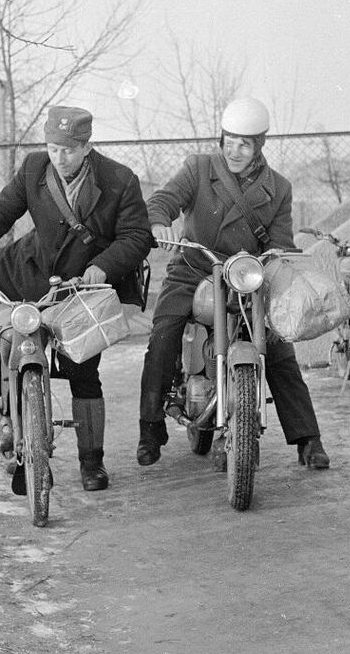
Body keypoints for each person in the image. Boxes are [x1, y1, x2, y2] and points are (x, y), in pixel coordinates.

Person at [0, 106, 153, 493]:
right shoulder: (33, 168)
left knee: (83, 370)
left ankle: (92, 463)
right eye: (53, 148)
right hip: (31, 271)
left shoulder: (119, 180)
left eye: (70, 151)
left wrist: (103, 267)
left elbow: (137, 236)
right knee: (16, 346)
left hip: (83, 288)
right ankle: (22, 447)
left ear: (87, 147)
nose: (60, 158)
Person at [136, 96, 331, 470]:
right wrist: (159, 221)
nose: (235, 150)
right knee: (164, 333)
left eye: (245, 143)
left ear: (259, 146)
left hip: (246, 276)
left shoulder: (279, 188)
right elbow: (163, 200)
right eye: (230, 140)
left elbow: (279, 243)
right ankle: (150, 427)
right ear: (221, 137)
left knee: (275, 347)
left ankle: (309, 439)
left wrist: (273, 265)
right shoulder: (198, 168)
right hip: (194, 267)